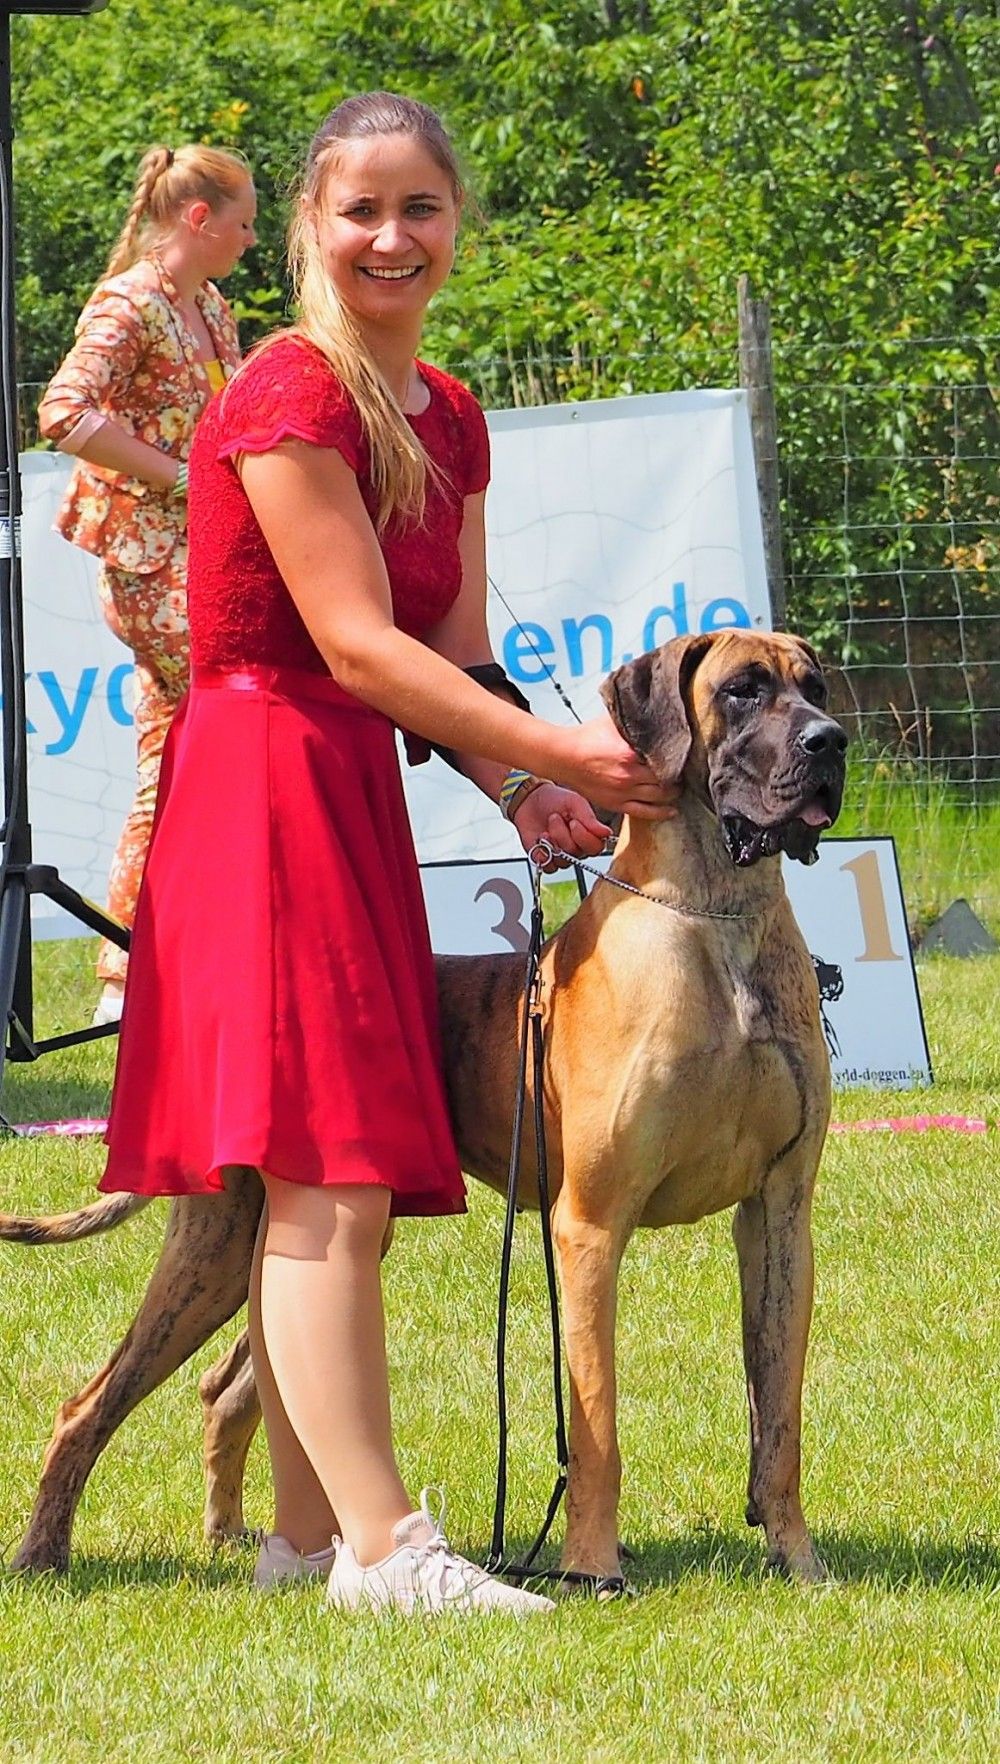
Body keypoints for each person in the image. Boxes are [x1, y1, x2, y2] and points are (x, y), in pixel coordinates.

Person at [98, 92, 677, 1616]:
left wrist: (520, 785)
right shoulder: (287, 389)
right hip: (259, 786)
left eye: (420, 206)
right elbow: (355, 644)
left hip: (349, 787)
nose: (391, 236)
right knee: (332, 1177)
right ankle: (382, 1549)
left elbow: (455, 652)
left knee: (329, 1175)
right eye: (360, 208)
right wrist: (577, 754)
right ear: (310, 224)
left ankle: (304, 1538)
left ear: (455, 220)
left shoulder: (455, 417)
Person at [38, 143, 255, 1025]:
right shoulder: (130, 302)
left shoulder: (209, 303)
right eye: (243, 223)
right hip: (150, 563)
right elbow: (64, 412)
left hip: (203, 553)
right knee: (225, 729)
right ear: (199, 219)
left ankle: (128, 974)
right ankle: (178, 957)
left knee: (171, 759)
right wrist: (181, 478)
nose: (251, 239)